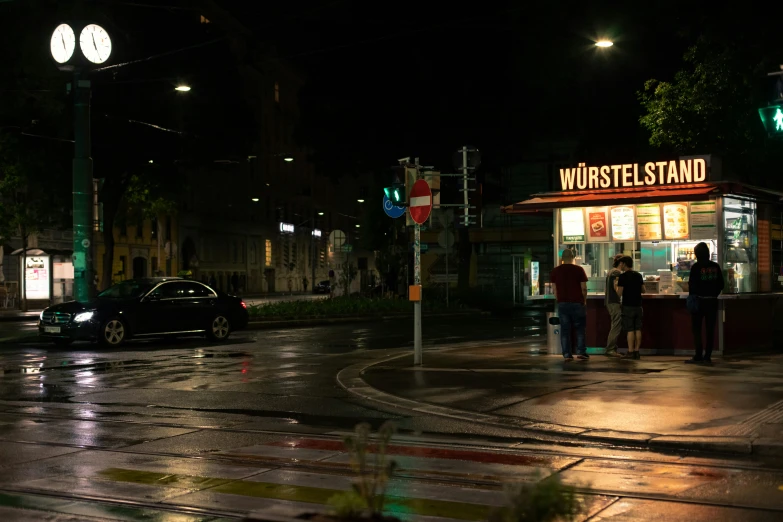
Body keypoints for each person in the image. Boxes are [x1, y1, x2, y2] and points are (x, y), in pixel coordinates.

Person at [686, 242, 724, 364]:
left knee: (696, 329)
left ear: (697, 254)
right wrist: (714, 294)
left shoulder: (696, 267)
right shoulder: (715, 266)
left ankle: (698, 354)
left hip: (699, 301)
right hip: (712, 302)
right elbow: (721, 284)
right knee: (710, 330)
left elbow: (691, 285)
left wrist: (695, 294)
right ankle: (707, 356)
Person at [551, 248, 588, 362]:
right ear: (573, 258)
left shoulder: (555, 271)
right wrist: (584, 299)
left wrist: (559, 299)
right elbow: (584, 288)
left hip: (562, 303)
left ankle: (567, 354)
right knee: (580, 328)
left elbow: (554, 289)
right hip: (577, 302)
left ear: (562, 258)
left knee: (565, 330)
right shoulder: (579, 269)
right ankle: (581, 352)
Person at [615, 256, 645, 360]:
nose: (620, 266)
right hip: (638, 305)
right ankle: (637, 351)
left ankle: (630, 351)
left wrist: (615, 287)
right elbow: (643, 290)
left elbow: (619, 293)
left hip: (628, 305)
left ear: (624, 264)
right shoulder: (638, 275)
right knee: (638, 328)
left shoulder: (622, 277)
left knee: (630, 329)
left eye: (621, 264)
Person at [604, 254, 624, 357]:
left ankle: (612, 349)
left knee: (614, 325)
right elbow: (616, 288)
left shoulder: (610, 271)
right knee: (616, 326)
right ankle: (610, 349)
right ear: (621, 263)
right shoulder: (617, 272)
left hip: (609, 301)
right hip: (613, 302)